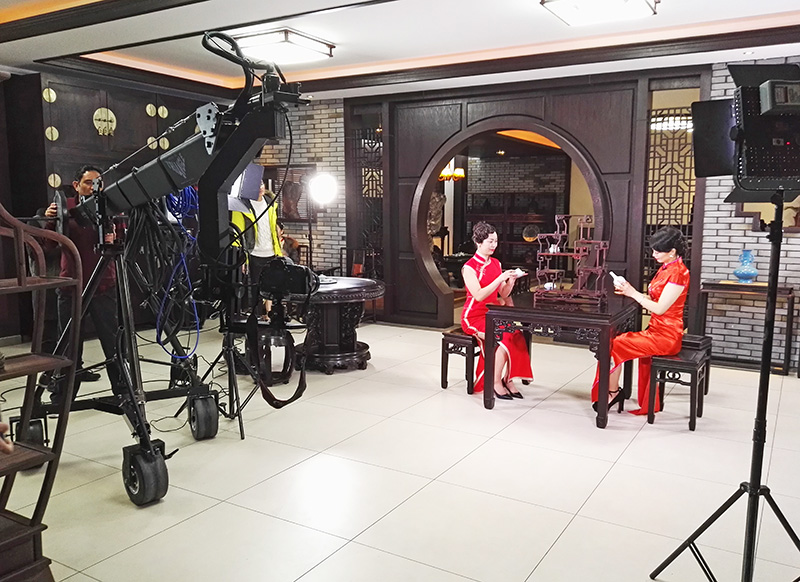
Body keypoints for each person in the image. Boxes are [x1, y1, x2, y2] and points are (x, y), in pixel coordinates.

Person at [44, 165, 125, 400]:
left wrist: (115, 234)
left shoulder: (110, 207)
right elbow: (48, 245)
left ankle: (123, 393)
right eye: (88, 182)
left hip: (103, 285)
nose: (93, 187)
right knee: (69, 346)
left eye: (98, 183)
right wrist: (50, 220)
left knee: (113, 343)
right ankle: (63, 397)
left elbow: (122, 241)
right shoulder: (65, 207)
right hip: (71, 287)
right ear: (76, 185)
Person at [591, 226, 690, 414]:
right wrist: (629, 290)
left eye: (657, 251)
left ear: (672, 251)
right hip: (656, 330)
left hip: (667, 336)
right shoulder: (667, 267)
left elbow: (660, 308)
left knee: (615, 344)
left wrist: (633, 293)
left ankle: (612, 392)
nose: (653, 255)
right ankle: (613, 391)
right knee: (614, 341)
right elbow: (655, 299)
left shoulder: (678, 273)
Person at [461, 222, 533, 399]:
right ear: (478, 242)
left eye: (496, 241)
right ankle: (494, 382)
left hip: (492, 314)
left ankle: (508, 379)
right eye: (490, 241)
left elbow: (503, 293)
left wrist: (510, 281)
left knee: (516, 334)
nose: (494, 245)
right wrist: (499, 278)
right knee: (503, 336)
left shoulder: (496, 263)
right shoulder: (469, 267)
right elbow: (478, 295)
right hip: (473, 316)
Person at [230, 180, 283, 316]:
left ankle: (269, 314)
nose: (260, 188)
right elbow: (237, 233)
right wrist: (241, 258)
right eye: (256, 185)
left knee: (273, 286)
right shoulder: (242, 206)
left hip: (271, 251)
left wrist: (278, 249)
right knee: (256, 288)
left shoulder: (271, 203)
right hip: (254, 253)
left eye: (261, 184)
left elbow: (273, 227)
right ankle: (257, 316)